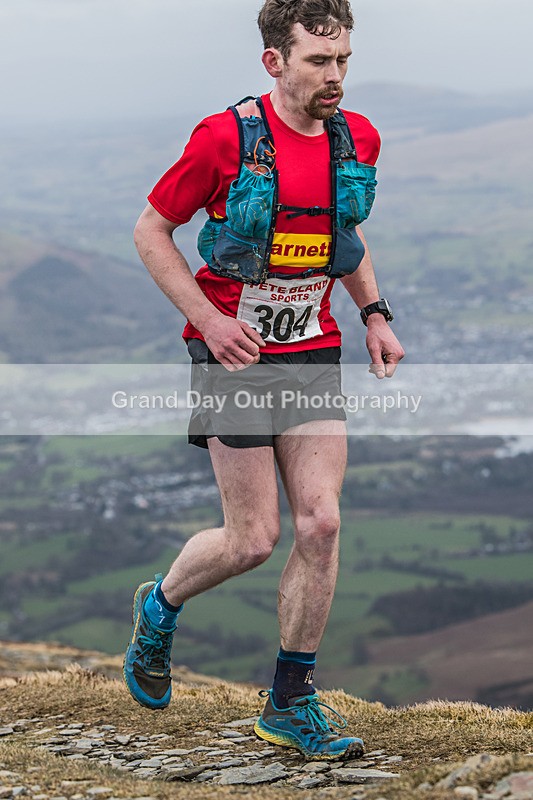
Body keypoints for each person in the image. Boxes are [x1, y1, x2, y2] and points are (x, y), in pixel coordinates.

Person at [123, 0, 404, 760]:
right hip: (234, 353)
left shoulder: (357, 136)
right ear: (274, 62)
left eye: (343, 59)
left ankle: (289, 702)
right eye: (319, 62)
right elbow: (152, 230)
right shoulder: (223, 138)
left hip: (310, 347)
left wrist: (374, 313)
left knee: (321, 523)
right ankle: (161, 602)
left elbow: (343, 233)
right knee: (251, 540)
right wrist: (209, 325)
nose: (335, 76)